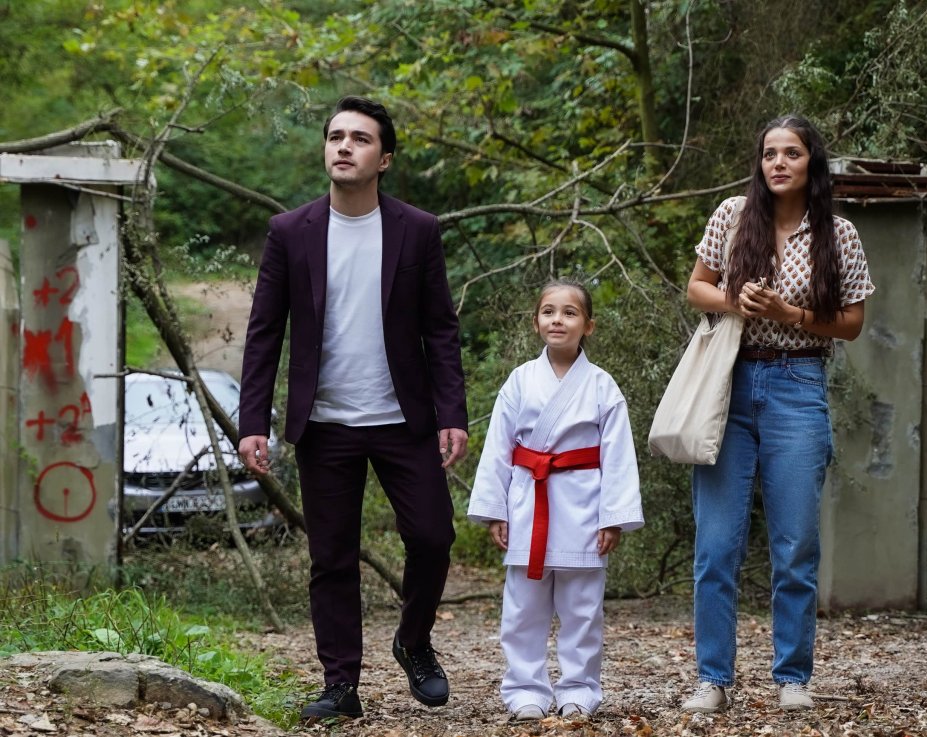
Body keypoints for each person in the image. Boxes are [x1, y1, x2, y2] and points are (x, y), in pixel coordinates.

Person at [237, 96, 468, 722]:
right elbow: (265, 332)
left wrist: (452, 412)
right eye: (336, 136)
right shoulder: (291, 231)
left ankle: (413, 641)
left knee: (433, 536)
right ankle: (341, 685)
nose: (344, 146)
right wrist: (252, 422)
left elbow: (440, 330)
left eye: (360, 139)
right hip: (325, 424)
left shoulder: (417, 229)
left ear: (384, 159)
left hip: (403, 419)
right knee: (332, 557)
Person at [680, 115, 875, 713]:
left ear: (812, 161)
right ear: (759, 162)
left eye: (792, 152)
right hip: (730, 382)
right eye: (770, 153)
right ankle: (713, 679)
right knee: (717, 546)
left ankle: (793, 678)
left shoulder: (838, 233)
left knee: (795, 546)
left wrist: (790, 314)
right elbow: (696, 287)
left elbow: (853, 323)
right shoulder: (733, 215)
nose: (779, 163)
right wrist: (737, 301)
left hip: (799, 385)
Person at [467, 279, 644, 721]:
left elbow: (618, 455)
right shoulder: (520, 380)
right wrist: (495, 509)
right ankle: (525, 690)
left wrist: (613, 517)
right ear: (536, 322)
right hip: (528, 500)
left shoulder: (602, 385)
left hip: (583, 504)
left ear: (588, 326)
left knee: (582, 609)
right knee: (523, 609)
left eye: (569, 313)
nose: (557, 320)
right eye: (548, 312)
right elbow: (498, 447)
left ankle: (579, 690)